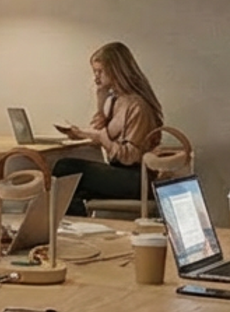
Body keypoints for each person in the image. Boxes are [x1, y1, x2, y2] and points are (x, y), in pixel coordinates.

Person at [53, 41, 165, 215]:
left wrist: (103, 137)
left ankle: (74, 228)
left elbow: (129, 156)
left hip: (138, 179)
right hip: (124, 173)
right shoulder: (117, 100)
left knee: (66, 169)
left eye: (100, 72)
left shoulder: (137, 106)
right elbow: (103, 130)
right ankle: (75, 231)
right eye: (94, 72)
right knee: (69, 187)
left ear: (116, 71)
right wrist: (83, 129)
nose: (96, 78)